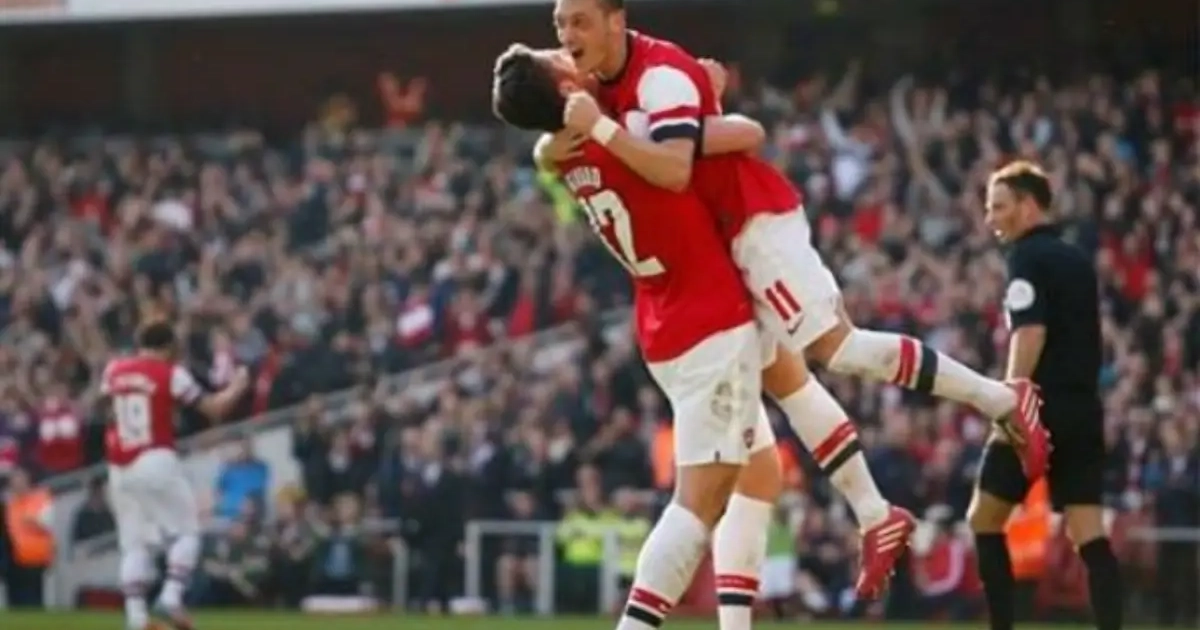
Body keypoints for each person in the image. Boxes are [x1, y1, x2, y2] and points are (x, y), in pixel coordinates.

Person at [493, 44, 906, 630]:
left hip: (666, 318)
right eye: (556, 55)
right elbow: (743, 136)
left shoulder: (563, 154)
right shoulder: (627, 132)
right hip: (708, 319)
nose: (567, 51)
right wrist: (703, 103)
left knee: (765, 458)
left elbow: (549, 147)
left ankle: (865, 519)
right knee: (698, 504)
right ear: (565, 89)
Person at [969, 160, 1123, 630]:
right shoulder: (1077, 260)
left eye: (999, 207)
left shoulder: (1027, 258)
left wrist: (1012, 400)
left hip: (1036, 409)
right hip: (1083, 410)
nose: (991, 218)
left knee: (984, 520)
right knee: (1089, 533)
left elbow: (1030, 332)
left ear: (1029, 205)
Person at [101, 320, 250, 630]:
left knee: (134, 545)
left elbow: (108, 408)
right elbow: (214, 409)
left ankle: (136, 618)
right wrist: (237, 385)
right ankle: (170, 597)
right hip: (154, 455)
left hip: (119, 466)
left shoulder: (113, 370)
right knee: (187, 532)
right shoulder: (171, 373)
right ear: (168, 346)